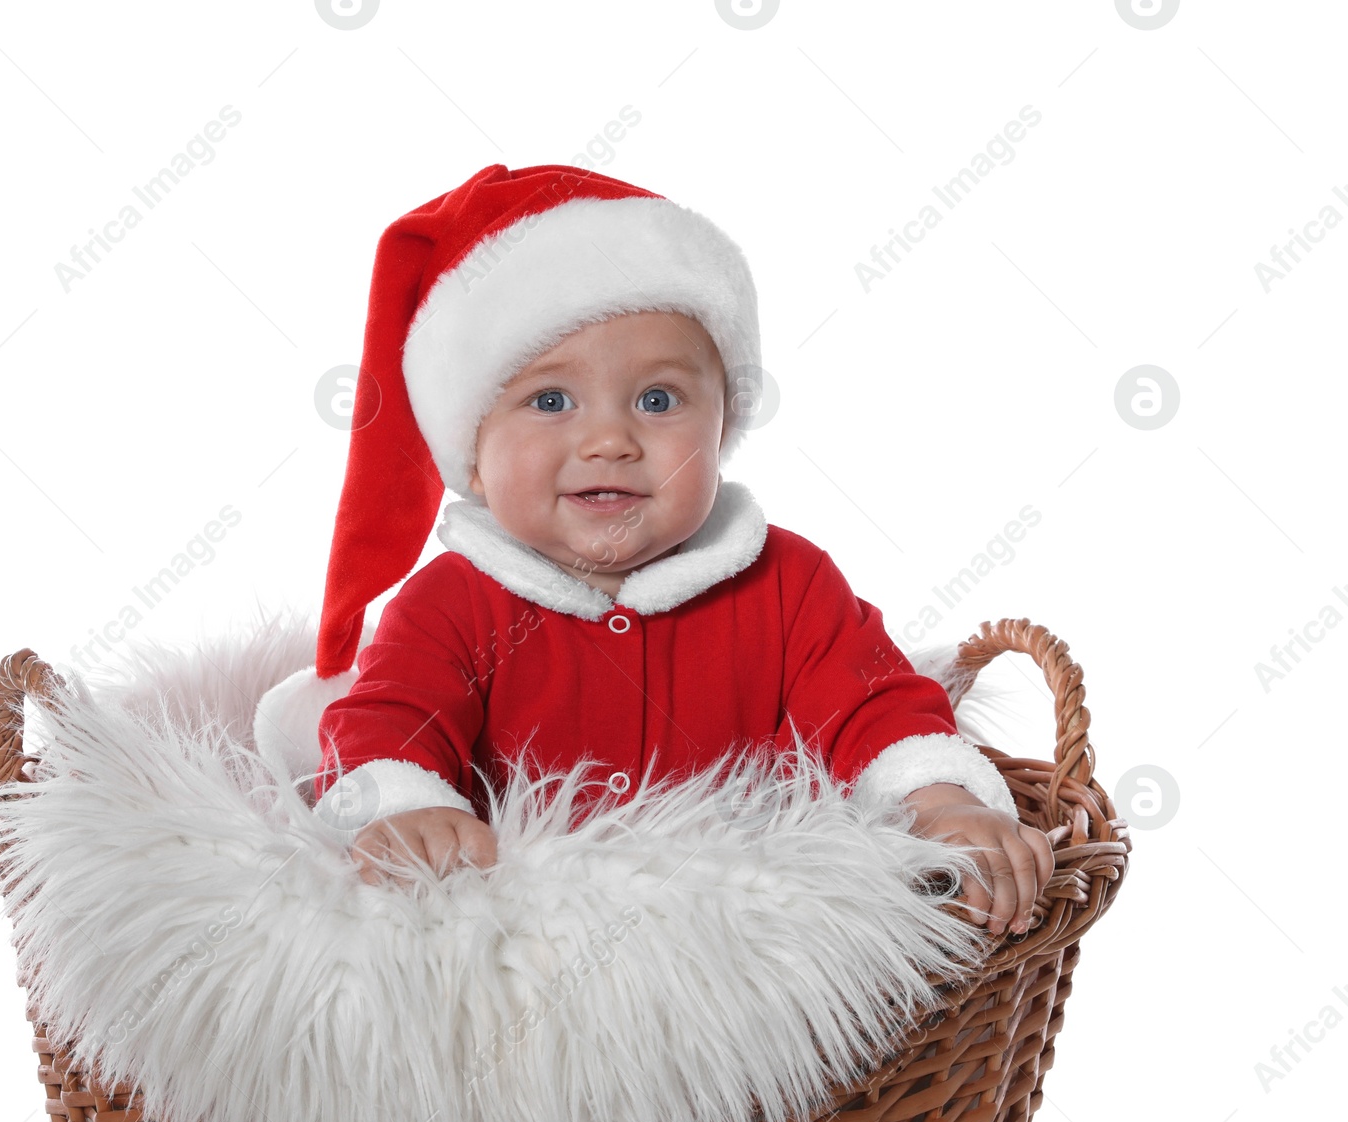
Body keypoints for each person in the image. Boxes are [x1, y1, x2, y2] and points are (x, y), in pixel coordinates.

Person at [254, 163, 1054, 939]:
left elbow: (874, 706)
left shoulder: (787, 584)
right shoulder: (450, 605)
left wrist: (941, 800)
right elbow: (389, 717)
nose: (609, 440)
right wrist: (405, 806)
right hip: (520, 957)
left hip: (751, 950)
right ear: (472, 454)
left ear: (723, 425)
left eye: (658, 399)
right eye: (550, 400)